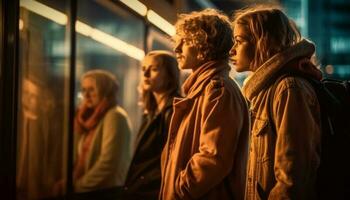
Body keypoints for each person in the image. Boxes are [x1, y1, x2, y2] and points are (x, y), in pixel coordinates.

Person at [230, 5, 322, 199]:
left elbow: (292, 177)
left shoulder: (289, 89)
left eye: (238, 41)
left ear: (263, 42)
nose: (232, 50)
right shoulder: (263, 91)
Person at [160, 8, 250, 200]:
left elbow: (214, 158)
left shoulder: (218, 90)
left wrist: (179, 189)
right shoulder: (206, 88)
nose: (176, 49)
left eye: (184, 42)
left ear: (204, 45)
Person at [54, 69, 133, 195]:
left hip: (105, 192)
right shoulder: (89, 119)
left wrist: (75, 186)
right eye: (84, 90)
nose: (86, 95)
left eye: (91, 90)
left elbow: (108, 164)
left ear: (105, 91)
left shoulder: (115, 116)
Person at [121, 50, 181, 199]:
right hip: (142, 189)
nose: (146, 74)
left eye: (154, 69)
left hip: (155, 191)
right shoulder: (151, 111)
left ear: (169, 75)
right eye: (143, 69)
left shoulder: (174, 110)